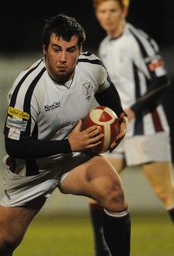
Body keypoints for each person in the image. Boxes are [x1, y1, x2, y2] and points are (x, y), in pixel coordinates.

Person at [0, 14, 131, 256]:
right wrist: (68, 143)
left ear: (80, 50)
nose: (63, 58)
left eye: (70, 50)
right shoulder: (28, 89)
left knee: (113, 192)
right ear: (45, 50)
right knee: (4, 242)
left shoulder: (91, 67)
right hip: (32, 170)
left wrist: (120, 116)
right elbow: (14, 145)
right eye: (56, 49)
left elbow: (105, 89)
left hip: (75, 157)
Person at [89, 1, 174, 255]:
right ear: (97, 15)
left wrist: (133, 109)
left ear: (123, 12)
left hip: (147, 124)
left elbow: (161, 82)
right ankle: (101, 251)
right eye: (102, 11)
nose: (108, 16)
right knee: (97, 187)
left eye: (113, 11)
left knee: (166, 193)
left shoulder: (138, 40)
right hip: (119, 129)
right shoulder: (104, 46)